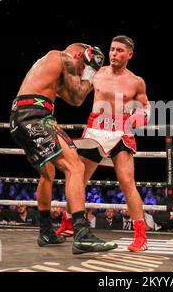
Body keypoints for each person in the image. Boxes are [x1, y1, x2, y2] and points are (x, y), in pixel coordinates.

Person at [9, 42, 117, 254]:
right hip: (34, 116)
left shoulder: (50, 69)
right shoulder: (63, 57)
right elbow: (78, 93)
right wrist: (91, 71)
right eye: (82, 66)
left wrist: (89, 75)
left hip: (21, 118)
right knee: (75, 167)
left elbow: (74, 100)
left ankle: (46, 231)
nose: (79, 72)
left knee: (48, 173)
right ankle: (82, 233)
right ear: (79, 54)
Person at [59, 35, 150, 252]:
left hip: (120, 130)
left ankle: (140, 236)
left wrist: (141, 117)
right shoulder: (96, 73)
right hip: (95, 129)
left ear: (129, 55)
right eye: (112, 49)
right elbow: (76, 90)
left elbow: (146, 107)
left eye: (119, 50)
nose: (114, 54)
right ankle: (69, 224)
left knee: (127, 182)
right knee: (77, 178)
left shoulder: (136, 81)